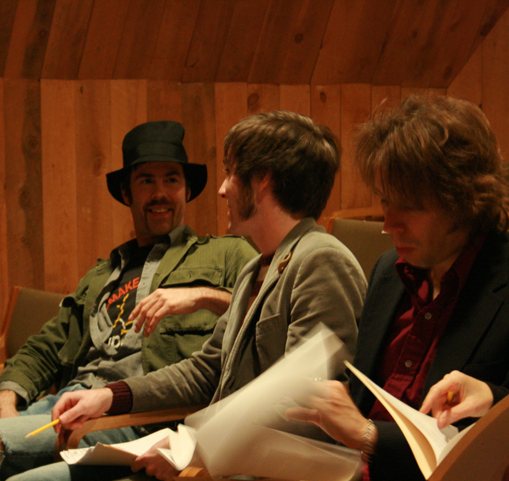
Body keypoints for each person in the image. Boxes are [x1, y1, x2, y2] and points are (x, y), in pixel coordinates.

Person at [0, 121, 258, 481]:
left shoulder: (226, 254)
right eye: (146, 181)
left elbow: (262, 311)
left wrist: (204, 295)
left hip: (132, 415)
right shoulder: (102, 275)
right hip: (63, 402)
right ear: (126, 192)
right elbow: (47, 345)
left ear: (187, 189)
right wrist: (6, 394)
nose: (160, 193)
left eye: (171, 179)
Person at [49, 111, 366, 481]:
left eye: (231, 173)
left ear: (262, 181)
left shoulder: (321, 259)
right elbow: (206, 371)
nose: (222, 189)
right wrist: (110, 396)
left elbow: (307, 405)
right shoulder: (255, 269)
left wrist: (194, 451)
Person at [285, 95, 509, 481]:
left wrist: (367, 435)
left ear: (465, 200)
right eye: (386, 201)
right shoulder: (388, 271)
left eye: (411, 206)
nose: (388, 225)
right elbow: (362, 405)